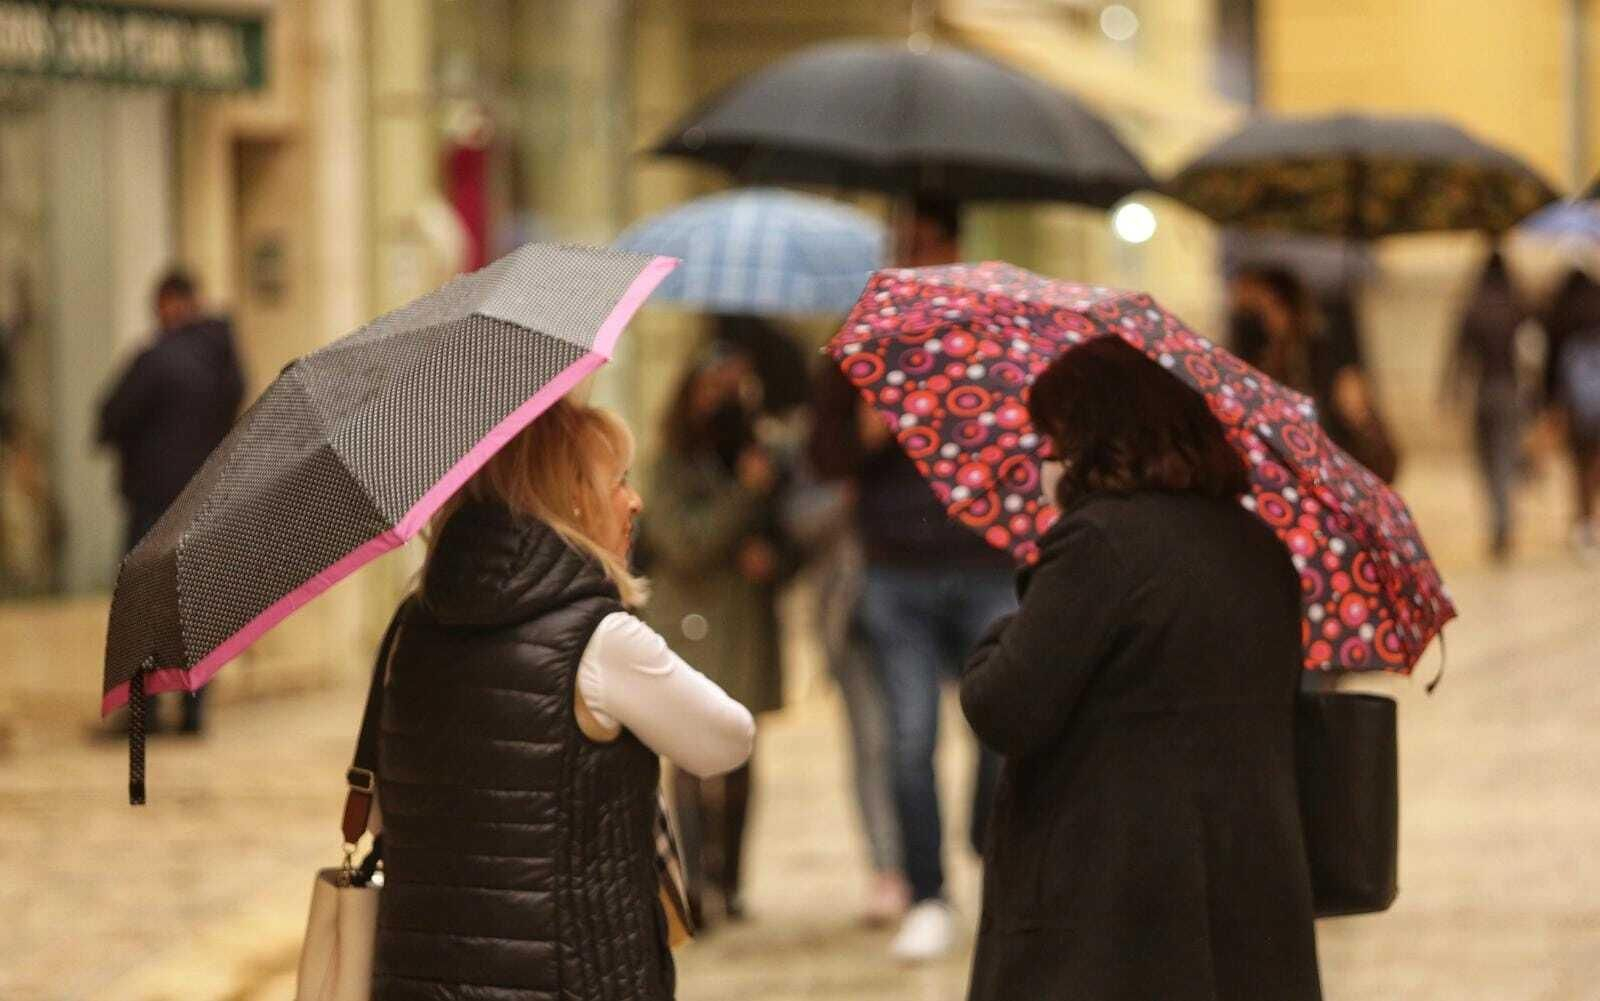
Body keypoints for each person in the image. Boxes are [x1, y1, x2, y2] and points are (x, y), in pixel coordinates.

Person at [961, 336, 1322, 1001]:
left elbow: (1005, 705)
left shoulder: (1097, 543)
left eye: (1057, 440)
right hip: (1248, 895)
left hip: (1113, 910)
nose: (1049, 459)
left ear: (1098, 438)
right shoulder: (1259, 546)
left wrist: (1002, 630)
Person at [372, 399, 755, 1001]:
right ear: (572, 497)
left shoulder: (410, 626)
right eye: (619, 481)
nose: (636, 501)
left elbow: (391, 810)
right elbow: (726, 741)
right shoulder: (600, 640)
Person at [811, 194, 1014, 962]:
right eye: (902, 243)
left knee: (1004, 728)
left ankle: (990, 840)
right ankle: (927, 892)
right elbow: (823, 454)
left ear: (954, 246)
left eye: (925, 242)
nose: (912, 257)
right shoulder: (861, 340)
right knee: (907, 737)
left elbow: (1024, 439)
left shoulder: (989, 335)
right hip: (896, 570)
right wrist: (867, 432)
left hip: (984, 561)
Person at [642, 339, 788, 927]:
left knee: (741, 752)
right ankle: (695, 883)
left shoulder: (764, 456)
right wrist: (743, 493)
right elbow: (685, 543)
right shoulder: (669, 464)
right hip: (692, 625)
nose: (728, 400)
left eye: (739, 387)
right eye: (717, 387)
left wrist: (775, 554)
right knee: (689, 758)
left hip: (745, 624)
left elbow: (789, 532)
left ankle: (731, 883)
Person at [97, 270, 244, 734]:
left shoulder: (157, 359)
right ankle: (194, 711)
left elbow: (110, 419)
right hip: (205, 501)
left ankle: (147, 713)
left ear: (169, 302)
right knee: (197, 605)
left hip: (154, 504)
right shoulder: (224, 360)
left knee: (147, 609)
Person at [1229, 266, 1397, 482]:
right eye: (1250, 312)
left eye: (1268, 305)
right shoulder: (1245, 368)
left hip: (1326, 474)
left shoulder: (1323, 355)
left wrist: (1363, 420)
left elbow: (1383, 465)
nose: (1264, 319)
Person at [1446, 250, 1533, 561]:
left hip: (1484, 392)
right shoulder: (1518, 307)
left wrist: (1451, 394)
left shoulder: (1474, 307)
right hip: (1511, 390)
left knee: (1488, 461)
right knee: (1505, 458)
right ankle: (1504, 522)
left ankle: (1499, 523)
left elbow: (1457, 357)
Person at [1542, 267, 1600, 554]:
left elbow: (1554, 372)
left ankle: (1585, 522)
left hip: (1579, 409)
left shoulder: (1563, 322)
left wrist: (1550, 406)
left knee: (1580, 466)